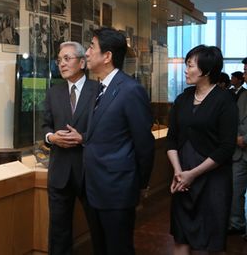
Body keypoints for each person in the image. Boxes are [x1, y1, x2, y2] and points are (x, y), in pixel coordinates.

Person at [83, 27, 155, 255]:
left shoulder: (130, 90)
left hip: (117, 188)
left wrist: (140, 185)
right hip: (95, 186)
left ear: (107, 56)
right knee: (100, 248)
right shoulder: (99, 88)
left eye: (91, 47)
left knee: (118, 248)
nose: (86, 53)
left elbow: (144, 143)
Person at [166, 45, 237, 254]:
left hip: (212, 181)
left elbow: (226, 148)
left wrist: (193, 174)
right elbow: (172, 139)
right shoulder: (183, 98)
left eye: (190, 65)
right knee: (181, 235)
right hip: (182, 180)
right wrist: (179, 173)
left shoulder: (225, 101)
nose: (185, 70)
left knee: (209, 241)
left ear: (206, 71)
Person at [42, 41, 97, 254]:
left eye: (67, 58)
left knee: (98, 228)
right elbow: (45, 125)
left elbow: (106, 130)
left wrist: (82, 138)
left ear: (82, 62)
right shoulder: (54, 93)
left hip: (89, 171)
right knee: (58, 232)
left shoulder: (98, 90)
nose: (61, 64)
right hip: (60, 171)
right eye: (59, 60)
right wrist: (51, 137)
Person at [232, 58, 247, 236]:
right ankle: (236, 224)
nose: (244, 74)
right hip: (238, 153)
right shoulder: (242, 96)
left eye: (246, 70)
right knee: (236, 191)